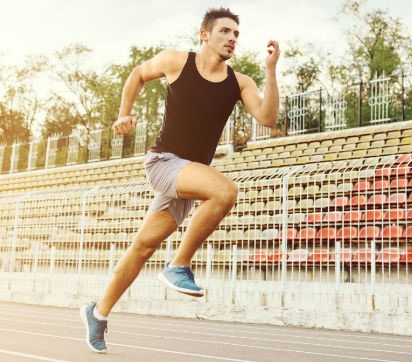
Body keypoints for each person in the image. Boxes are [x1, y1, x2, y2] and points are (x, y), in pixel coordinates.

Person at [81, 7, 280, 353]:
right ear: (204, 34)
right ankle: (179, 265)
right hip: (164, 162)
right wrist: (124, 113)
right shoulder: (176, 61)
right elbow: (137, 75)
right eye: (224, 32)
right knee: (225, 191)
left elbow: (268, 116)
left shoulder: (239, 82)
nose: (232, 38)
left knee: (142, 247)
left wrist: (270, 71)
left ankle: (97, 312)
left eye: (236, 34)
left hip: (188, 174)